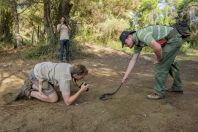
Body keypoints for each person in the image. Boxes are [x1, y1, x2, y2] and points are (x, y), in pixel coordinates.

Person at [119, 25, 183, 100]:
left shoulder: (141, 35)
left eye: (125, 43)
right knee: (170, 63)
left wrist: (158, 59)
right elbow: (133, 60)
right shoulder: (137, 43)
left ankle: (159, 93)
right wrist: (125, 76)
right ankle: (177, 86)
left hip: (173, 39)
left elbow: (157, 47)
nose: (126, 45)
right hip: (173, 38)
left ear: (129, 37)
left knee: (160, 64)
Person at [15, 62, 89, 105]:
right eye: (82, 77)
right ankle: (27, 91)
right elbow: (67, 102)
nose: (82, 79)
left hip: (40, 69)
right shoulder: (65, 79)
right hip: (36, 76)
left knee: (54, 88)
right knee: (54, 98)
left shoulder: (71, 67)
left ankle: (33, 85)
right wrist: (81, 91)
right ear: (76, 75)